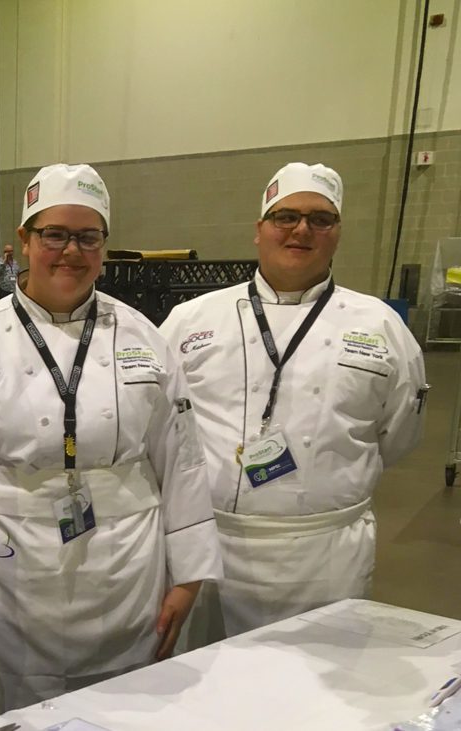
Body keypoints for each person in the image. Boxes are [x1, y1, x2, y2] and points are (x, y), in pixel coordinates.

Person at [0, 163, 221, 716]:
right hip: (13, 576)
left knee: (128, 709)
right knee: (21, 713)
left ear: (104, 246)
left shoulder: (144, 339)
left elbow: (181, 458)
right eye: (54, 235)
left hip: (127, 573)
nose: (71, 251)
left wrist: (188, 579)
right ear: (23, 241)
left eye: (88, 237)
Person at [160, 162, 428, 639]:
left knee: (317, 697)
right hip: (212, 548)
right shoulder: (190, 320)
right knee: (208, 696)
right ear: (259, 230)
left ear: (337, 233)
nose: (301, 229)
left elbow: (398, 434)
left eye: (320, 219)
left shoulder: (380, 326)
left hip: (326, 554)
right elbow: (160, 430)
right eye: (285, 216)